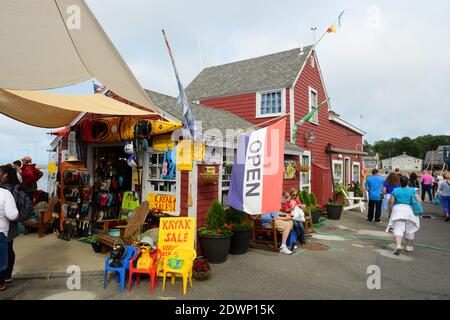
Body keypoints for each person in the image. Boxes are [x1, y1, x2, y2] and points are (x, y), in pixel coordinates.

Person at [0, 165, 33, 290]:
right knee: (8, 248)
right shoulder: (15, 188)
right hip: (9, 222)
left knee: (6, 249)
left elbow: (28, 206)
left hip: (8, 223)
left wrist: (18, 218)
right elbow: (28, 206)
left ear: (5, 174)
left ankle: (4, 277)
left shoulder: (13, 189)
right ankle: (6, 276)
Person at [387, 176, 422, 255]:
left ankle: (398, 245)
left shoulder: (396, 190)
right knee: (410, 229)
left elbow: (391, 201)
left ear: (399, 182)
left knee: (398, 228)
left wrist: (390, 210)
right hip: (410, 210)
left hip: (398, 210)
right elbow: (419, 201)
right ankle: (409, 246)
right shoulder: (413, 190)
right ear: (408, 182)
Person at [0, 172, 19, 291]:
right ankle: (1, 283)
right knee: (1, 258)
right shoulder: (5, 194)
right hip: (1, 230)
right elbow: (12, 215)